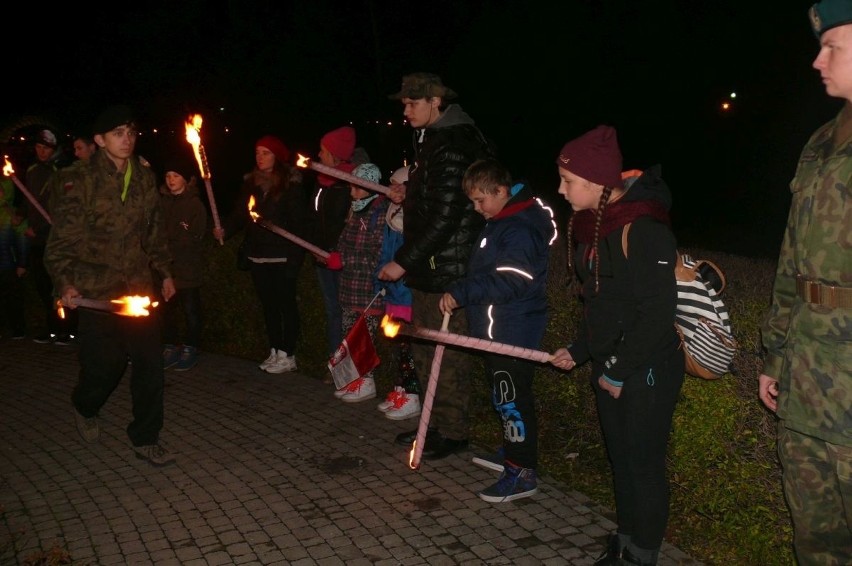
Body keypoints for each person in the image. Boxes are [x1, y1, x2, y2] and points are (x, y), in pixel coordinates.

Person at [549, 125, 683, 566]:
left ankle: (643, 553)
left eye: (568, 181)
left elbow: (658, 315)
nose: (561, 189)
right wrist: (581, 349)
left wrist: (618, 370)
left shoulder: (643, 228)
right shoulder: (594, 225)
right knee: (621, 461)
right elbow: (604, 306)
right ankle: (626, 540)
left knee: (643, 465)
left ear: (595, 182)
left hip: (645, 369)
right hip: (612, 363)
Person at [758, 3, 852, 564]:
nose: (817, 60)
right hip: (809, 375)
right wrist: (775, 353)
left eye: (833, 46)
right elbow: (793, 258)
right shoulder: (821, 141)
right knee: (816, 538)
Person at [44, 104, 177, 467]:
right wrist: (66, 283)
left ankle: (146, 436)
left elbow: (153, 231)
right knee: (105, 366)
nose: (127, 139)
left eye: (131, 132)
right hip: (96, 291)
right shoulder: (79, 180)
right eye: (118, 133)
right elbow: (61, 243)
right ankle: (84, 406)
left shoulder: (144, 178)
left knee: (150, 363)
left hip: (138, 287)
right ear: (100, 140)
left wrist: (164, 272)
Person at [378, 72, 497, 460]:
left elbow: (447, 215)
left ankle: (452, 430)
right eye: (404, 104)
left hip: (447, 267)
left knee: (445, 353)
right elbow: (436, 196)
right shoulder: (436, 139)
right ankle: (433, 421)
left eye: (412, 103)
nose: (406, 110)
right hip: (432, 265)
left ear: (435, 102)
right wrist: (408, 192)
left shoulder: (452, 142)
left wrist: (402, 261)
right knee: (428, 348)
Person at [440, 159, 555, 502]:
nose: (477, 209)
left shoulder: (518, 228)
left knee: (513, 399)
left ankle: (522, 473)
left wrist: (462, 292)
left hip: (512, 330)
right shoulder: (501, 220)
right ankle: (512, 452)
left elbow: (512, 280)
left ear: (501, 191)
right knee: (504, 397)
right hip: (498, 328)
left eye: (480, 201)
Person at [214, 135, 311, 374]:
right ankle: (275, 350)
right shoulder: (251, 184)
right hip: (258, 254)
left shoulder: (290, 185)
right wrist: (224, 229)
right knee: (268, 306)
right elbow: (240, 214)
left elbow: (299, 224)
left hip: (282, 256)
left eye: (265, 152)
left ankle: (288, 354)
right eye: (257, 152)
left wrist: (295, 258)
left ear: (277, 156)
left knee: (285, 305)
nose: (260, 157)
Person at [330, 163, 388, 403]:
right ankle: (353, 379)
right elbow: (346, 244)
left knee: (364, 338)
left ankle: (367, 381)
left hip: (367, 290)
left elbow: (377, 256)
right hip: (350, 289)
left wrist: (346, 259)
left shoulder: (379, 214)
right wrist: (332, 255)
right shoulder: (356, 212)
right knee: (350, 336)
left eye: (357, 188)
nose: (352, 193)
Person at [374, 166, 422, 420]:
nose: (393, 189)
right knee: (398, 346)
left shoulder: (412, 217)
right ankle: (400, 388)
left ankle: (412, 394)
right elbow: (386, 253)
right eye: (391, 184)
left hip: (407, 294)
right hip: (393, 292)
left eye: (399, 184)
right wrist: (380, 278)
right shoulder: (390, 215)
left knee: (409, 347)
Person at [310, 125, 358, 358]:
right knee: (332, 311)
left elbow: (347, 224)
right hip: (321, 258)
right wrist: (316, 248)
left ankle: (351, 367)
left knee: (347, 312)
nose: (318, 155)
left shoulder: (349, 185)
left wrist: (333, 250)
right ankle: (335, 361)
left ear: (334, 154)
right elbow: (316, 218)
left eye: (322, 150)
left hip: (341, 261)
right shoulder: (321, 182)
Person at [158, 148, 207, 372]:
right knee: (166, 310)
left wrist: (176, 240)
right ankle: (170, 345)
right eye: (168, 176)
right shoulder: (162, 203)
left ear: (186, 179)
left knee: (190, 310)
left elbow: (195, 238)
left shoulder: (194, 205)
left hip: (188, 268)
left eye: (176, 176)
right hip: (166, 269)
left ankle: (191, 347)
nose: (171, 180)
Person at [25, 128, 73, 345]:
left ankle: (67, 327)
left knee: (59, 283)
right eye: (38, 147)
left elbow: (61, 206)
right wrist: (25, 220)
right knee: (42, 284)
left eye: (46, 148)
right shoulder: (32, 170)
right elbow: (29, 202)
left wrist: (44, 228)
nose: (41, 152)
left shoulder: (60, 171)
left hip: (54, 236)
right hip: (35, 237)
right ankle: (52, 325)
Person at [0, 176, 28, 339]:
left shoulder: (12, 215)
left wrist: (22, 263)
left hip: (8, 265)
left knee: (13, 298)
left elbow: (22, 238)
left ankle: (18, 329)